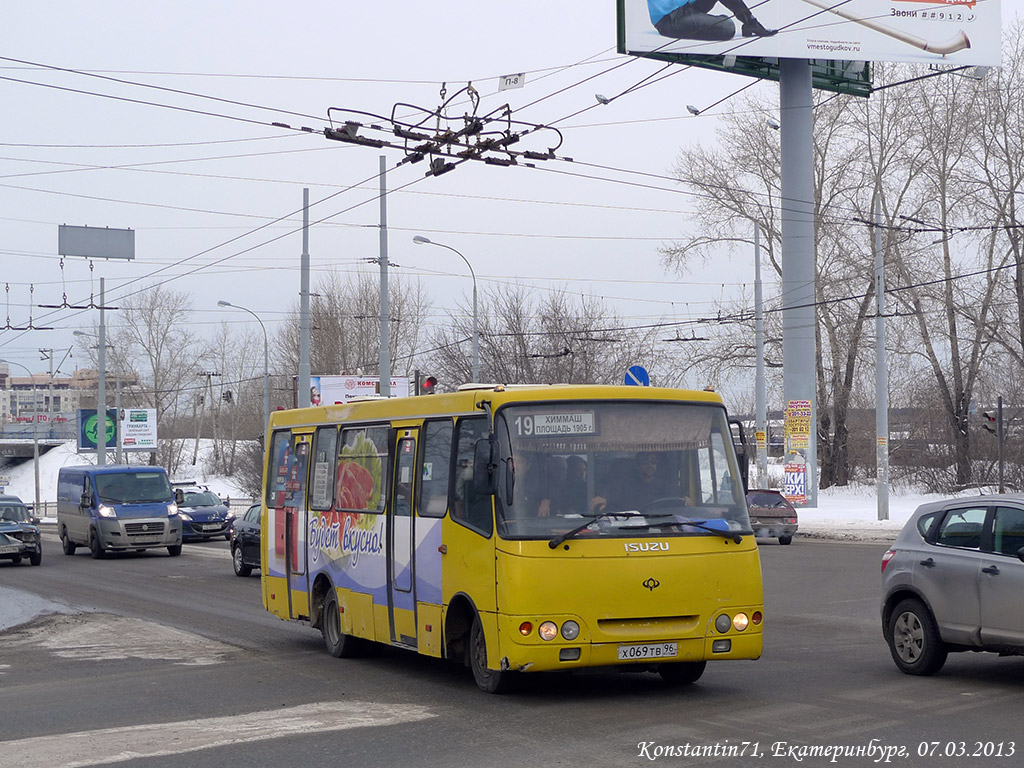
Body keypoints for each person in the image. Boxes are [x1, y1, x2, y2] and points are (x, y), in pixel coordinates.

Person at [647, 0, 777, 41]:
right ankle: (716, 22)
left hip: (686, 7)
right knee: (728, 28)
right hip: (669, 20)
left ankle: (751, 23)